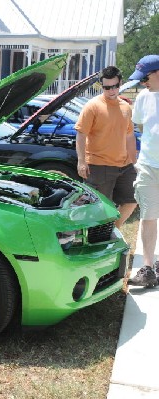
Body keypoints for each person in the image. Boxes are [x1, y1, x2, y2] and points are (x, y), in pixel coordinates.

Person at [74, 66, 138, 229]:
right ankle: (94, 239)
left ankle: (112, 231)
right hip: (98, 166)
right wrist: (81, 161)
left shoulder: (125, 107)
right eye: (107, 87)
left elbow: (129, 136)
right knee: (99, 210)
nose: (111, 90)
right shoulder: (92, 106)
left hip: (125, 166)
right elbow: (81, 134)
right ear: (101, 86)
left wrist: (134, 161)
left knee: (132, 201)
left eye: (115, 86)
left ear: (120, 83)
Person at [127, 55, 159, 287]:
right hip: (148, 165)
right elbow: (139, 125)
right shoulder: (143, 98)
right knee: (148, 216)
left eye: (145, 78)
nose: (142, 83)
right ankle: (148, 268)